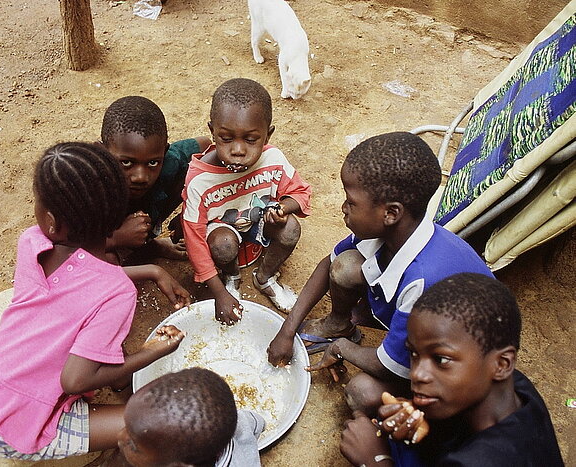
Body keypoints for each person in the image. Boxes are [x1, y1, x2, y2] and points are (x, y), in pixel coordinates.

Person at [0, 142, 186, 459]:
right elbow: (76, 380)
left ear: (51, 221)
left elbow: (78, 278)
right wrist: (153, 351)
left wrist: (150, 271)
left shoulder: (32, 242)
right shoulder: (117, 293)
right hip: (19, 428)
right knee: (158, 423)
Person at [267, 132, 493, 415]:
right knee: (346, 265)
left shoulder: (423, 283)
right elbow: (329, 264)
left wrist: (341, 349)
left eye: (351, 202)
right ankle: (340, 324)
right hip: (423, 328)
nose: (343, 209)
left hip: (461, 370)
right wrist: (288, 331)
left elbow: (392, 367)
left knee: (362, 392)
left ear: (391, 213)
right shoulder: (394, 232)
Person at [339, 273, 564, 466]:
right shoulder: (517, 387)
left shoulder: (481, 461)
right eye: (414, 354)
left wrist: (375, 459)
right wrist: (425, 422)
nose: (417, 374)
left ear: (501, 364)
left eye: (442, 360)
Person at [182, 78, 312, 323]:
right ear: (212, 132)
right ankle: (231, 277)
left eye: (251, 139)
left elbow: (301, 192)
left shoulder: (273, 158)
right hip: (223, 231)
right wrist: (219, 293)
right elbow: (194, 239)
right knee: (223, 244)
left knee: (291, 227)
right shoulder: (200, 180)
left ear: (267, 134)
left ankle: (265, 278)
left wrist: (284, 207)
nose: (238, 150)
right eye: (226, 138)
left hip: (257, 222)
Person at [100, 95, 211, 264]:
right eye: (126, 162)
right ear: (102, 152)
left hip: (144, 214)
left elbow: (205, 146)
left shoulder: (169, 160)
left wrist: (190, 212)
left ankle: (149, 246)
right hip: (101, 239)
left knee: (195, 166)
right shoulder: (87, 185)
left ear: (164, 152)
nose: (140, 177)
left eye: (152, 162)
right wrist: (116, 239)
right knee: (107, 261)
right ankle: (135, 249)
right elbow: (62, 246)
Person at [106, 367, 265, 467]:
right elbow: (258, 424)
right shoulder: (240, 422)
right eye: (126, 427)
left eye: (134, 445)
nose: (120, 437)